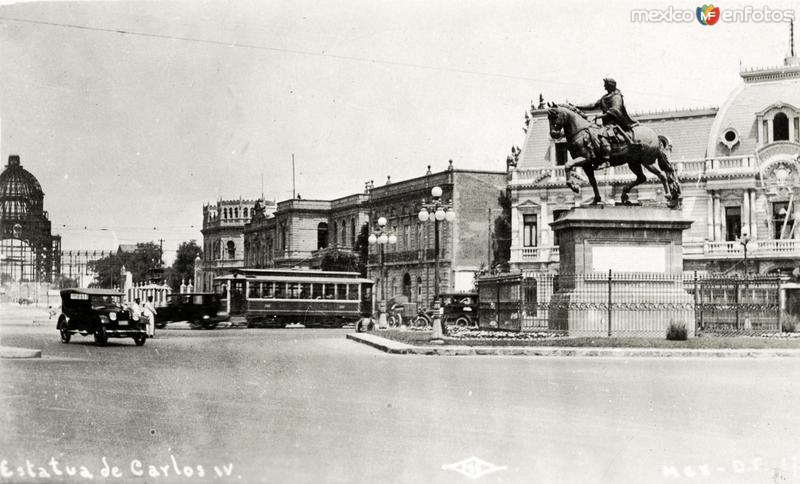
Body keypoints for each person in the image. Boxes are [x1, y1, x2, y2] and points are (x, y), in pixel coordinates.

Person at [577, 78, 639, 163]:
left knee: (603, 135)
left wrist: (602, 115)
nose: (604, 87)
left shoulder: (617, 96)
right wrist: (578, 107)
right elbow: (593, 105)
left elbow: (615, 109)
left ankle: (606, 159)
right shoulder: (605, 97)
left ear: (610, 85)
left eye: (605, 85)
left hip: (616, 123)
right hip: (606, 124)